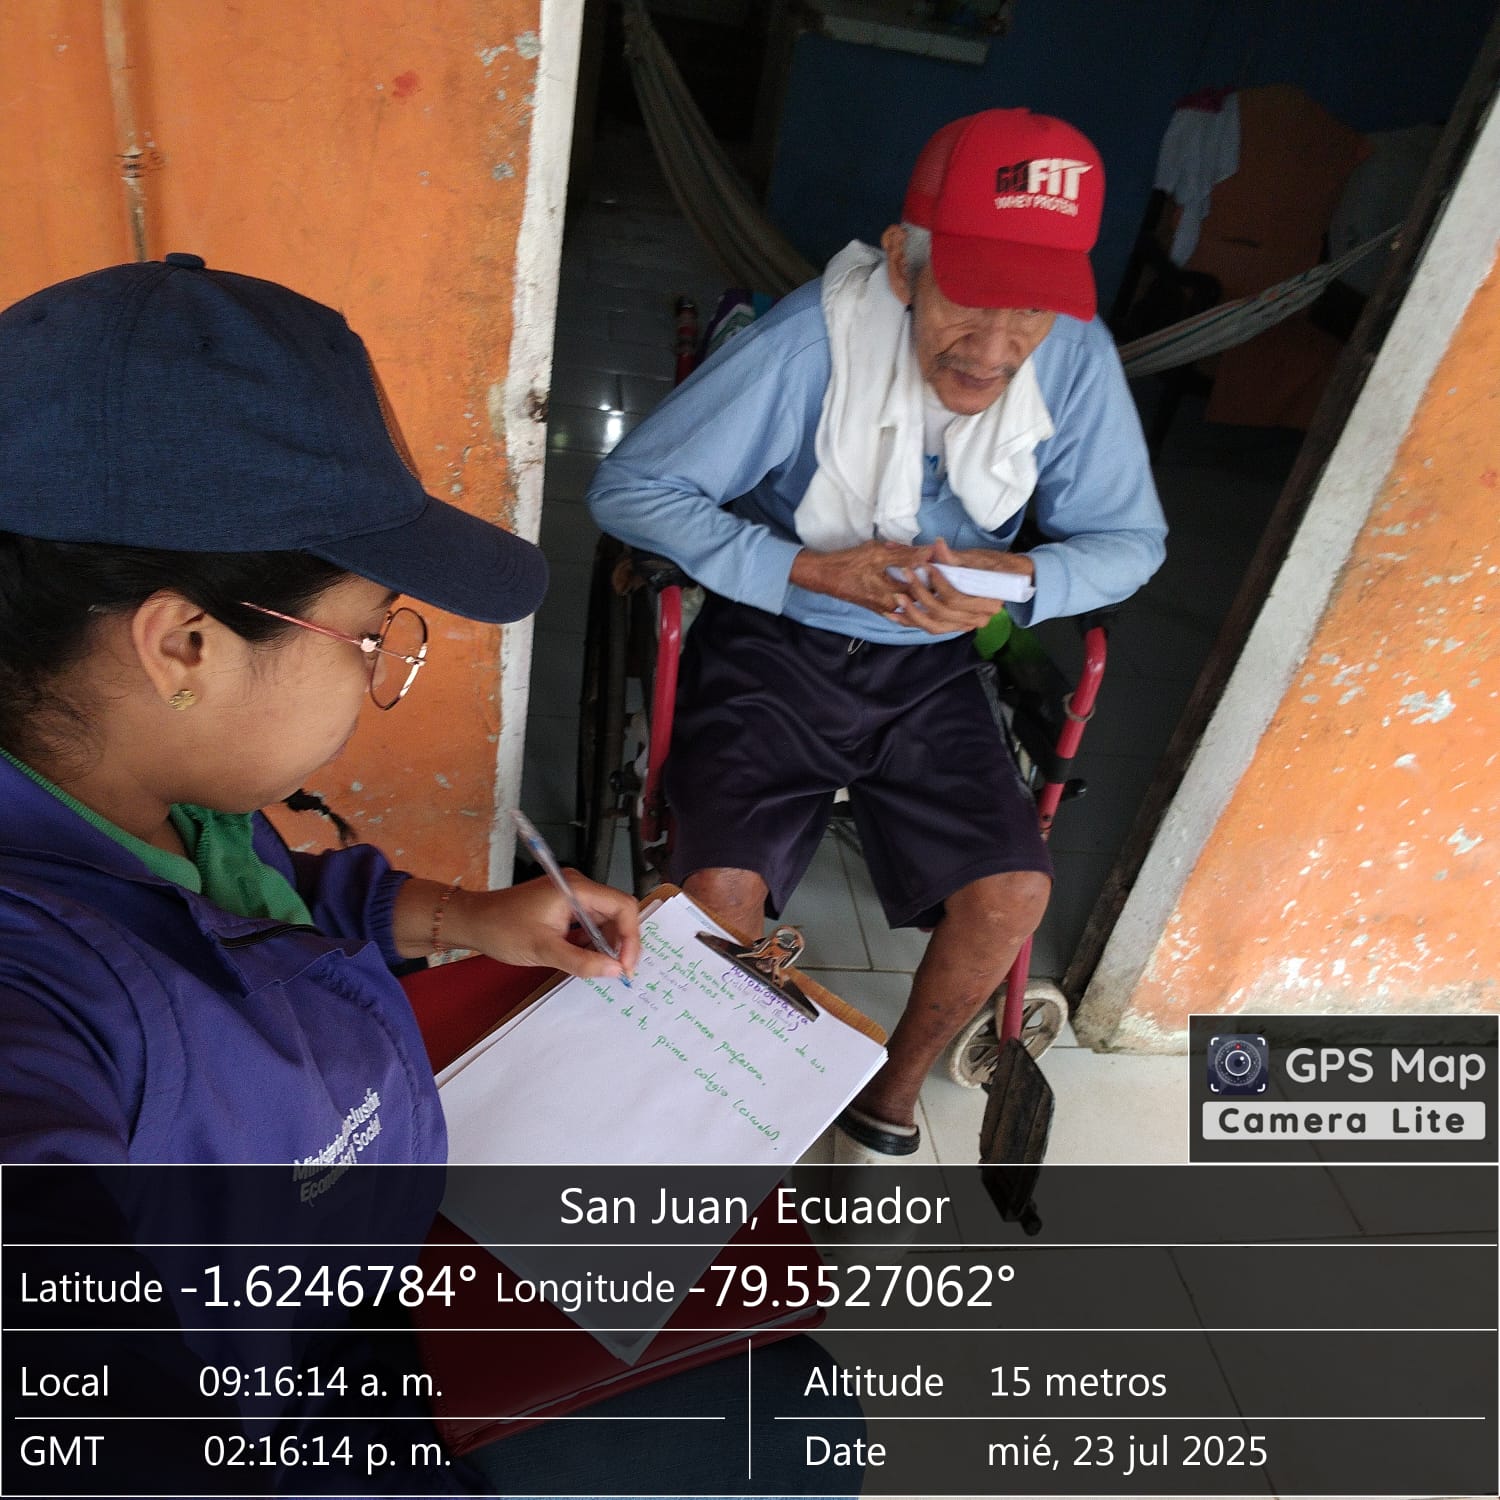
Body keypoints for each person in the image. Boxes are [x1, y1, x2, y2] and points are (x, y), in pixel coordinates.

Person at [588, 109, 1168, 1160]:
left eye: (1030, 309)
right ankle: (727, 1098)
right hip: (774, 647)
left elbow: (1133, 540)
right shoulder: (807, 345)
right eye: (969, 299)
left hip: (933, 670)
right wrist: (804, 568)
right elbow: (630, 489)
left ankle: (885, 1097)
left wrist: (1027, 579)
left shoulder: (1074, 355)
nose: (995, 349)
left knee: (1013, 893)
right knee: (716, 898)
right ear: (903, 262)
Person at [0, 253, 642, 1166]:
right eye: (371, 635)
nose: (378, 670)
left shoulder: (154, 797)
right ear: (186, 646)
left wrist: (466, 916)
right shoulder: (42, 1001)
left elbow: (254, 905)